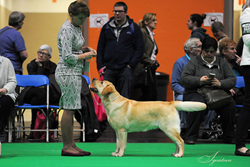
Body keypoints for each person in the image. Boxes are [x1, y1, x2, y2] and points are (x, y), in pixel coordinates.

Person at [55, 0, 97, 156]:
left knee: (72, 109)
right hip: (66, 72)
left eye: (85, 18)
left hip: (74, 71)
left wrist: (84, 48)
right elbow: (67, 56)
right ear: (71, 15)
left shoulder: (76, 27)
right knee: (68, 109)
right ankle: (66, 146)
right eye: (80, 18)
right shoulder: (66, 29)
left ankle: (72, 144)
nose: (83, 21)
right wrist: (86, 55)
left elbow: (74, 48)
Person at [181, 36, 236, 144]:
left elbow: (232, 79)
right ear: (202, 50)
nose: (209, 54)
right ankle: (190, 136)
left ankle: (229, 137)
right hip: (195, 92)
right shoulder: (194, 62)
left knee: (230, 105)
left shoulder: (222, 63)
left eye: (212, 52)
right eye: (207, 51)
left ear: (216, 51)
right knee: (198, 105)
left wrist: (220, 83)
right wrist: (199, 80)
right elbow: (184, 79)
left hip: (217, 92)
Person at [96, 1, 144, 99]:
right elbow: (100, 48)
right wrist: (100, 66)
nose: (117, 13)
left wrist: (131, 64)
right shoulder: (106, 28)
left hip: (126, 69)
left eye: (120, 11)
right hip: (108, 69)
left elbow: (140, 49)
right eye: (115, 11)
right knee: (107, 98)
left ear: (126, 12)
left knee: (124, 98)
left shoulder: (134, 28)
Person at [171, 38, 215, 138]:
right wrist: (185, 91)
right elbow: (174, 84)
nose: (202, 49)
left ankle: (207, 129)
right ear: (191, 50)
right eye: (199, 47)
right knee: (181, 101)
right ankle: (184, 127)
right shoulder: (180, 62)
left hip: (202, 91)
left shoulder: (203, 61)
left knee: (212, 100)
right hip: (185, 92)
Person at [17, 44, 58, 140]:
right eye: (39, 52)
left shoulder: (53, 66)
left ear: (49, 57)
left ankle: (34, 130)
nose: (40, 55)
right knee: (40, 93)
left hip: (46, 94)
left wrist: (42, 86)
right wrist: (40, 66)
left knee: (37, 99)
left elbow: (52, 82)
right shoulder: (31, 65)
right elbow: (36, 81)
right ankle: (43, 127)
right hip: (29, 93)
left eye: (44, 54)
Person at [235, 0, 250, 156]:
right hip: (249, 64)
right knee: (249, 104)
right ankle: (240, 145)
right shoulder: (247, 13)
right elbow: (248, 40)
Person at [134, 13, 159, 101]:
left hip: (149, 68)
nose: (156, 22)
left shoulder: (150, 34)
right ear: (146, 22)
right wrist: (151, 62)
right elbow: (139, 50)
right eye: (153, 20)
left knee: (152, 95)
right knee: (148, 96)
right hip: (144, 68)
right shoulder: (142, 32)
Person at [219, 38, 244, 105]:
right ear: (224, 51)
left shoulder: (237, 64)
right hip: (226, 93)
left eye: (235, 49)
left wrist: (242, 67)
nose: (235, 51)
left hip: (240, 92)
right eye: (232, 49)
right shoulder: (218, 64)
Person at [0, 55, 17, 142]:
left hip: (5, 93)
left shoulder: (6, 62)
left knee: (5, 102)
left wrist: (5, 90)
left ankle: (1, 130)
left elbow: (12, 81)